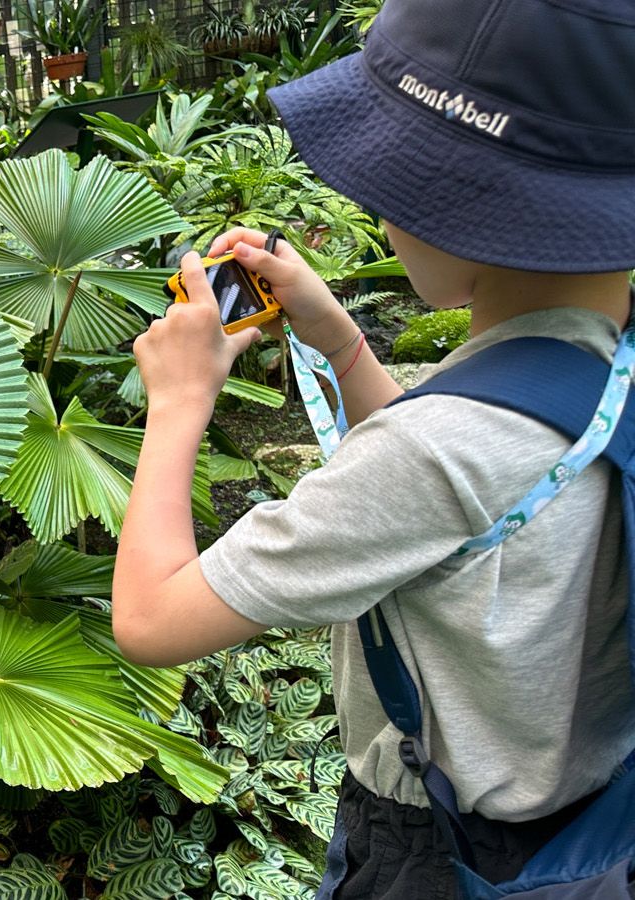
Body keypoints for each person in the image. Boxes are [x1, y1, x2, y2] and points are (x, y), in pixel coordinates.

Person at [111, 0, 635, 896]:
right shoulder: (598, 369)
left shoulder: (436, 451)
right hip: (584, 825)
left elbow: (151, 621)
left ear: (456, 203)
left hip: (435, 855)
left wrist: (179, 400)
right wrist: (340, 340)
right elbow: (473, 506)